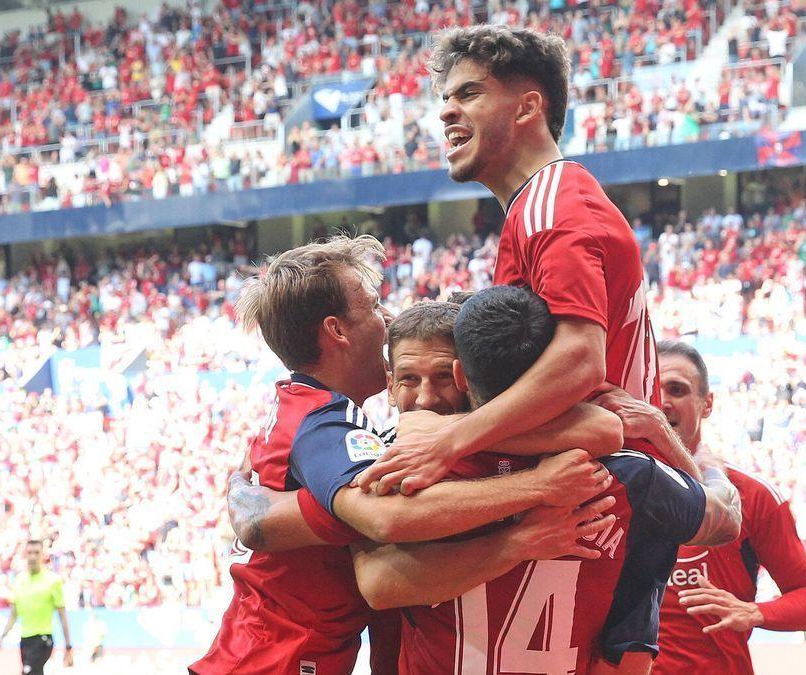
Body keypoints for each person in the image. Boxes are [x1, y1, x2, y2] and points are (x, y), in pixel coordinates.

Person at [193, 239, 615, 675]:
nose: (387, 319)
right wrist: (537, 489)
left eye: (439, 376)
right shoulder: (327, 426)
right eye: (376, 307)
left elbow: (604, 428)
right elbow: (385, 523)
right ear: (338, 331)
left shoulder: (318, 414)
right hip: (273, 661)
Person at [358, 25, 699, 496]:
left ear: (528, 107)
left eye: (469, 93)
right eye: (446, 98)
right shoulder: (540, 206)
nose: (446, 111)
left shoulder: (552, 204)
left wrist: (450, 440)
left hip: (610, 490)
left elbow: (580, 360)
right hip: (613, 481)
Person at [345, 286, 743, 674]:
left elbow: (379, 581)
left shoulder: (405, 469)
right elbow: (723, 519)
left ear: (461, 375)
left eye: (440, 379)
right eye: (410, 380)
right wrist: (698, 460)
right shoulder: (626, 474)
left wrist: (440, 433)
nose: (427, 401)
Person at [636, 341, 806, 675]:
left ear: (707, 403)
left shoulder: (753, 497)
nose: (663, 402)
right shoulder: (616, 483)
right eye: (653, 390)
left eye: (677, 390)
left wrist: (754, 612)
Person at [0, 539, 74, 675]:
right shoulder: (19, 580)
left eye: (36, 553)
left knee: (28, 672)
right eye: (30, 552)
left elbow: (62, 615)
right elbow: (14, 614)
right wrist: (2, 636)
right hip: (25, 641)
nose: (33, 556)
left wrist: (68, 646)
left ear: (43, 555)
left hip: (43, 639)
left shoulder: (52, 580)